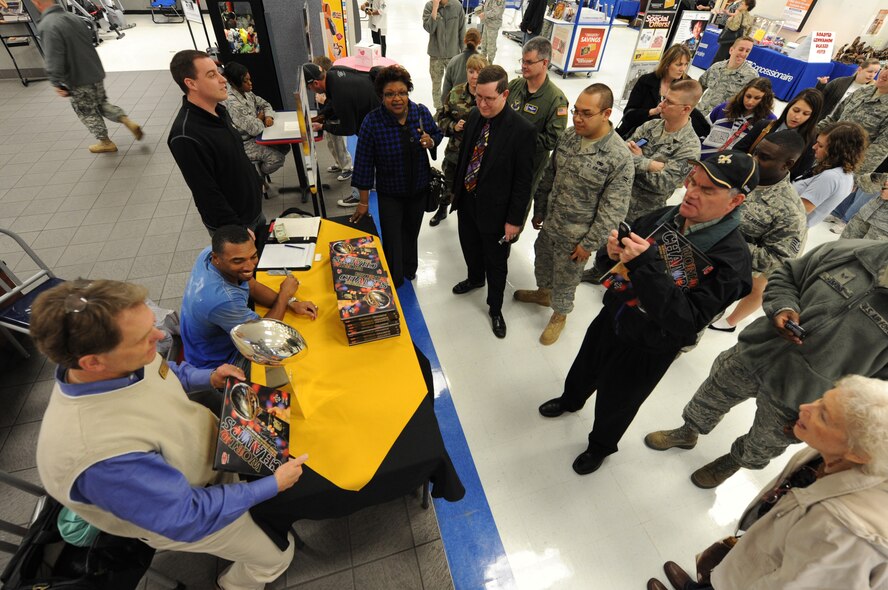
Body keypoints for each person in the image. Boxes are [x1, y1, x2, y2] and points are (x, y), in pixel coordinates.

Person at [31, 280, 308, 590]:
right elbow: (188, 514)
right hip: (193, 509)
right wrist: (272, 485)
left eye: (151, 325)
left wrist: (209, 376)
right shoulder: (101, 456)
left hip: (209, 463)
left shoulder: (119, 361)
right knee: (275, 557)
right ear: (92, 363)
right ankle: (233, 585)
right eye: (143, 338)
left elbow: (164, 371)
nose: (161, 336)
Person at [539, 152, 757, 475]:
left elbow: (686, 322)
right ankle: (571, 400)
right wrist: (610, 254)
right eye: (692, 182)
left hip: (649, 346)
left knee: (619, 401)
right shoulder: (667, 216)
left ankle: (600, 445)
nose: (692, 193)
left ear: (735, 200)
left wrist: (644, 266)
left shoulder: (732, 261)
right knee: (585, 366)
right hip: (612, 317)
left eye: (708, 190)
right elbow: (609, 265)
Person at [645, 239, 888, 489]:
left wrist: (829, 408)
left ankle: (733, 462)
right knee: (711, 395)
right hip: (756, 351)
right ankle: (688, 431)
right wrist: (782, 307)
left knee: (765, 441)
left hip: (804, 395)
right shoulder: (850, 252)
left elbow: (878, 390)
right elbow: (787, 275)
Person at [647, 377, 888, 590]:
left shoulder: (846, 534)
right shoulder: (836, 455)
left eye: (824, 415)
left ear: (859, 453)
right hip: (753, 561)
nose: (805, 407)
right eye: (821, 400)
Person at [513, 84, 634, 345]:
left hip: (577, 237)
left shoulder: (618, 157)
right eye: (576, 111)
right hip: (551, 224)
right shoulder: (568, 137)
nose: (577, 118)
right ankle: (544, 293)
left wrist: (588, 245)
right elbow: (550, 175)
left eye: (586, 113)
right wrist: (540, 209)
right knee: (542, 263)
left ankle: (560, 314)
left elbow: (613, 210)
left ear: (606, 113)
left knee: (567, 279)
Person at [450, 65, 537, 339]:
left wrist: (514, 220)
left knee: (497, 263)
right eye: (478, 96)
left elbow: (524, 182)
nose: (482, 104)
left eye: (489, 98)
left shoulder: (522, 131)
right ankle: (475, 278)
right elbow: (466, 156)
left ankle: (495, 308)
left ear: (506, 94)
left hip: (498, 214)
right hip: (468, 201)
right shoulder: (475, 115)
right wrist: (457, 193)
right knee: (470, 247)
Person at [350, 66, 443, 288]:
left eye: (402, 92)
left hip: (418, 189)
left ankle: (410, 269)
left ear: (408, 91)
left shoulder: (420, 113)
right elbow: (363, 164)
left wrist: (431, 141)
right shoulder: (372, 122)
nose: (397, 98)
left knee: (411, 233)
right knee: (392, 239)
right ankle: (395, 278)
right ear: (381, 96)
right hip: (390, 193)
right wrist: (363, 202)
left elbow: (437, 134)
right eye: (390, 94)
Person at [180, 225, 318, 370]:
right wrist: (284, 294)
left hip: (207, 343)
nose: (249, 266)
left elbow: (251, 285)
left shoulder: (208, 254)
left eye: (253, 257)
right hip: (220, 362)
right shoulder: (224, 300)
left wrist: (291, 302)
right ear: (216, 258)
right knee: (301, 363)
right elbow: (262, 339)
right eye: (238, 261)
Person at [708, 131, 807, 333]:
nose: (754, 160)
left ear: (787, 164)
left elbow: (778, 261)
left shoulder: (790, 212)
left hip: (720, 277)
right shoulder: (740, 176)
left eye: (764, 158)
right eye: (756, 152)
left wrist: (724, 242)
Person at [168, 50, 265, 235]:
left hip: (254, 212)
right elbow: (206, 193)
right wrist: (237, 231)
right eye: (212, 75)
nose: (223, 80)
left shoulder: (220, 111)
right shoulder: (185, 135)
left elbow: (237, 156)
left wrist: (256, 182)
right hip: (235, 226)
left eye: (218, 72)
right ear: (191, 83)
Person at [32, 0, 143, 154]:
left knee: (86, 111)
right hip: (94, 70)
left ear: (37, 2)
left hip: (76, 78)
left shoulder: (48, 25)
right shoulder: (74, 18)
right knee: (101, 103)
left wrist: (55, 81)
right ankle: (126, 120)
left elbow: (53, 56)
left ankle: (105, 142)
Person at [625, 79, 703, 222]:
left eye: (669, 102)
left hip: (640, 216)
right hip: (616, 198)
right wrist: (651, 165)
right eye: (664, 98)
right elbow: (622, 154)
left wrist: (640, 161)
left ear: (685, 109)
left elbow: (662, 184)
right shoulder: (651, 125)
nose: (661, 105)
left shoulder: (690, 147)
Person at [817, 66, 888, 223]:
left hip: (848, 166)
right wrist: (811, 133)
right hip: (825, 155)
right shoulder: (862, 92)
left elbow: (880, 149)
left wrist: (855, 177)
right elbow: (834, 118)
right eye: (886, 68)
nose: (885, 73)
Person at [303, 61, 381, 198]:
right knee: (373, 155)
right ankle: (373, 183)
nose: (311, 91)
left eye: (309, 88)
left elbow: (348, 128)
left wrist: (324, 126)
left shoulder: (340, 93)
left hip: (377, 118)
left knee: (366, 157)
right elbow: (333, 103)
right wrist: (321, 116)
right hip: (372, 103)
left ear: (315, 83)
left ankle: (361, 195)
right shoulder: (334, 72)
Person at [507, 36, 569, 204]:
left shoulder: (556, 100)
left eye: (529, 62)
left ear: (544, 63)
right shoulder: (514, 86)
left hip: (529, 168)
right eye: (523, 61)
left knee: (517, 208)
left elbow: (553, 139)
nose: (523, 66)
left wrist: (519, 139)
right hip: (504, 160)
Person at [432, 53, 489, 227]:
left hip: (478, 157)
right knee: (448, 183)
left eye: (479, 72)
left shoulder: (488, 98)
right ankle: (442, 208)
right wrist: (453, 126)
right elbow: (440, 118)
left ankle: (470, 218)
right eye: (471, 71)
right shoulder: (455, 93)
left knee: (473, 190)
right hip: (455, 153)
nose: (474, 76)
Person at [734, 87, 823, 181]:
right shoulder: (763, 126)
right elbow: (738, 150)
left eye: (805, 114)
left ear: (812, 117)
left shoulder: (811, 144)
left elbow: (797, 176)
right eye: (795, 110)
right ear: (789, 107)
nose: (797, 117)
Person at [794, 121, 868, 227]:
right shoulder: (842, 173)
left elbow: (797, 212)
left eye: (820, 145)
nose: (814, 147)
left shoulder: (831, 177)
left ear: (836, 151)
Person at [223, 62, 288, 179]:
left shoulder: (247, 93)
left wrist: (268, 116)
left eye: (249, 79)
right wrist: (260, 118)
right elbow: (255, 129)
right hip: (245, 143)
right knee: (277, 158)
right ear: (234, 82)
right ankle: (256, 177)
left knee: (285, 146)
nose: (250, 83)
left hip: (257, 136)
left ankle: (255, 171)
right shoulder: (232, 102)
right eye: (245, 81)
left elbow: (266, 104)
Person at [616, 45, 693, 140]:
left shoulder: (687, 86)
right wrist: (652, 111)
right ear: (667, 64)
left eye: (686, 64)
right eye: (678, 64)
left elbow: (687, 116)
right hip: (636, 134)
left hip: (665, 139)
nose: (683, 69)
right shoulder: (646, 81)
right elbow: (628, 114)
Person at [699, 77, 775, 158]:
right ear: (743, 94)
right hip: (702, 159)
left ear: (765, 99)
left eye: (757, 98)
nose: (750, 102)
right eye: (748, 96)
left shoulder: (769, 121)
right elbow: (703, 131)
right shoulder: (724, 108)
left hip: (731, 166)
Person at [311, 56, 353, 184]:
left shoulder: (333, 85)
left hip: (336, 119)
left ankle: (347, 167)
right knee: (331, 144)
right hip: (327, 118)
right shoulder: (324, 84)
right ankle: (339, 163)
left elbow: (336, 105)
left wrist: (324, 101)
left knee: (339, 145)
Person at [423, 0, 466, 110]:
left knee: (456, 85)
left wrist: (465, 53)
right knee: (436, 85)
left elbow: (462, 31)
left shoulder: (457, 6)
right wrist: (435, 9)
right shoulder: (429, 6)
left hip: (453, 55)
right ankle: (439, 111)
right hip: (435, 55)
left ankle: (453, 110)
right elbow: (429, 28)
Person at [697, 37, 757, 115]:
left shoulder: (751, 76)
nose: (743, 54)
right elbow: (700, 86)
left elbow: (751, 104)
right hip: (701, 112)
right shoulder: (716, 67)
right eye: (741, 49)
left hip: (722, 119)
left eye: (747, 51)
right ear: (731, 50)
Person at [815, 57, 881, 121]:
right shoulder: (839, 82)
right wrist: (821, 85)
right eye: (870, 71)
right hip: (824, 121)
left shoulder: (872, 92)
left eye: (875, 72)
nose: (872, 75)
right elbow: (819, 97)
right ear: (860, 69)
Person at [441, 28, 481, 105]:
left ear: (464, 40)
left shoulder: (453, 61)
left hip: (456, 107)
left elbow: (445, 94)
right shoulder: (483, 63)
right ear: (479, 42)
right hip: (478, 108)